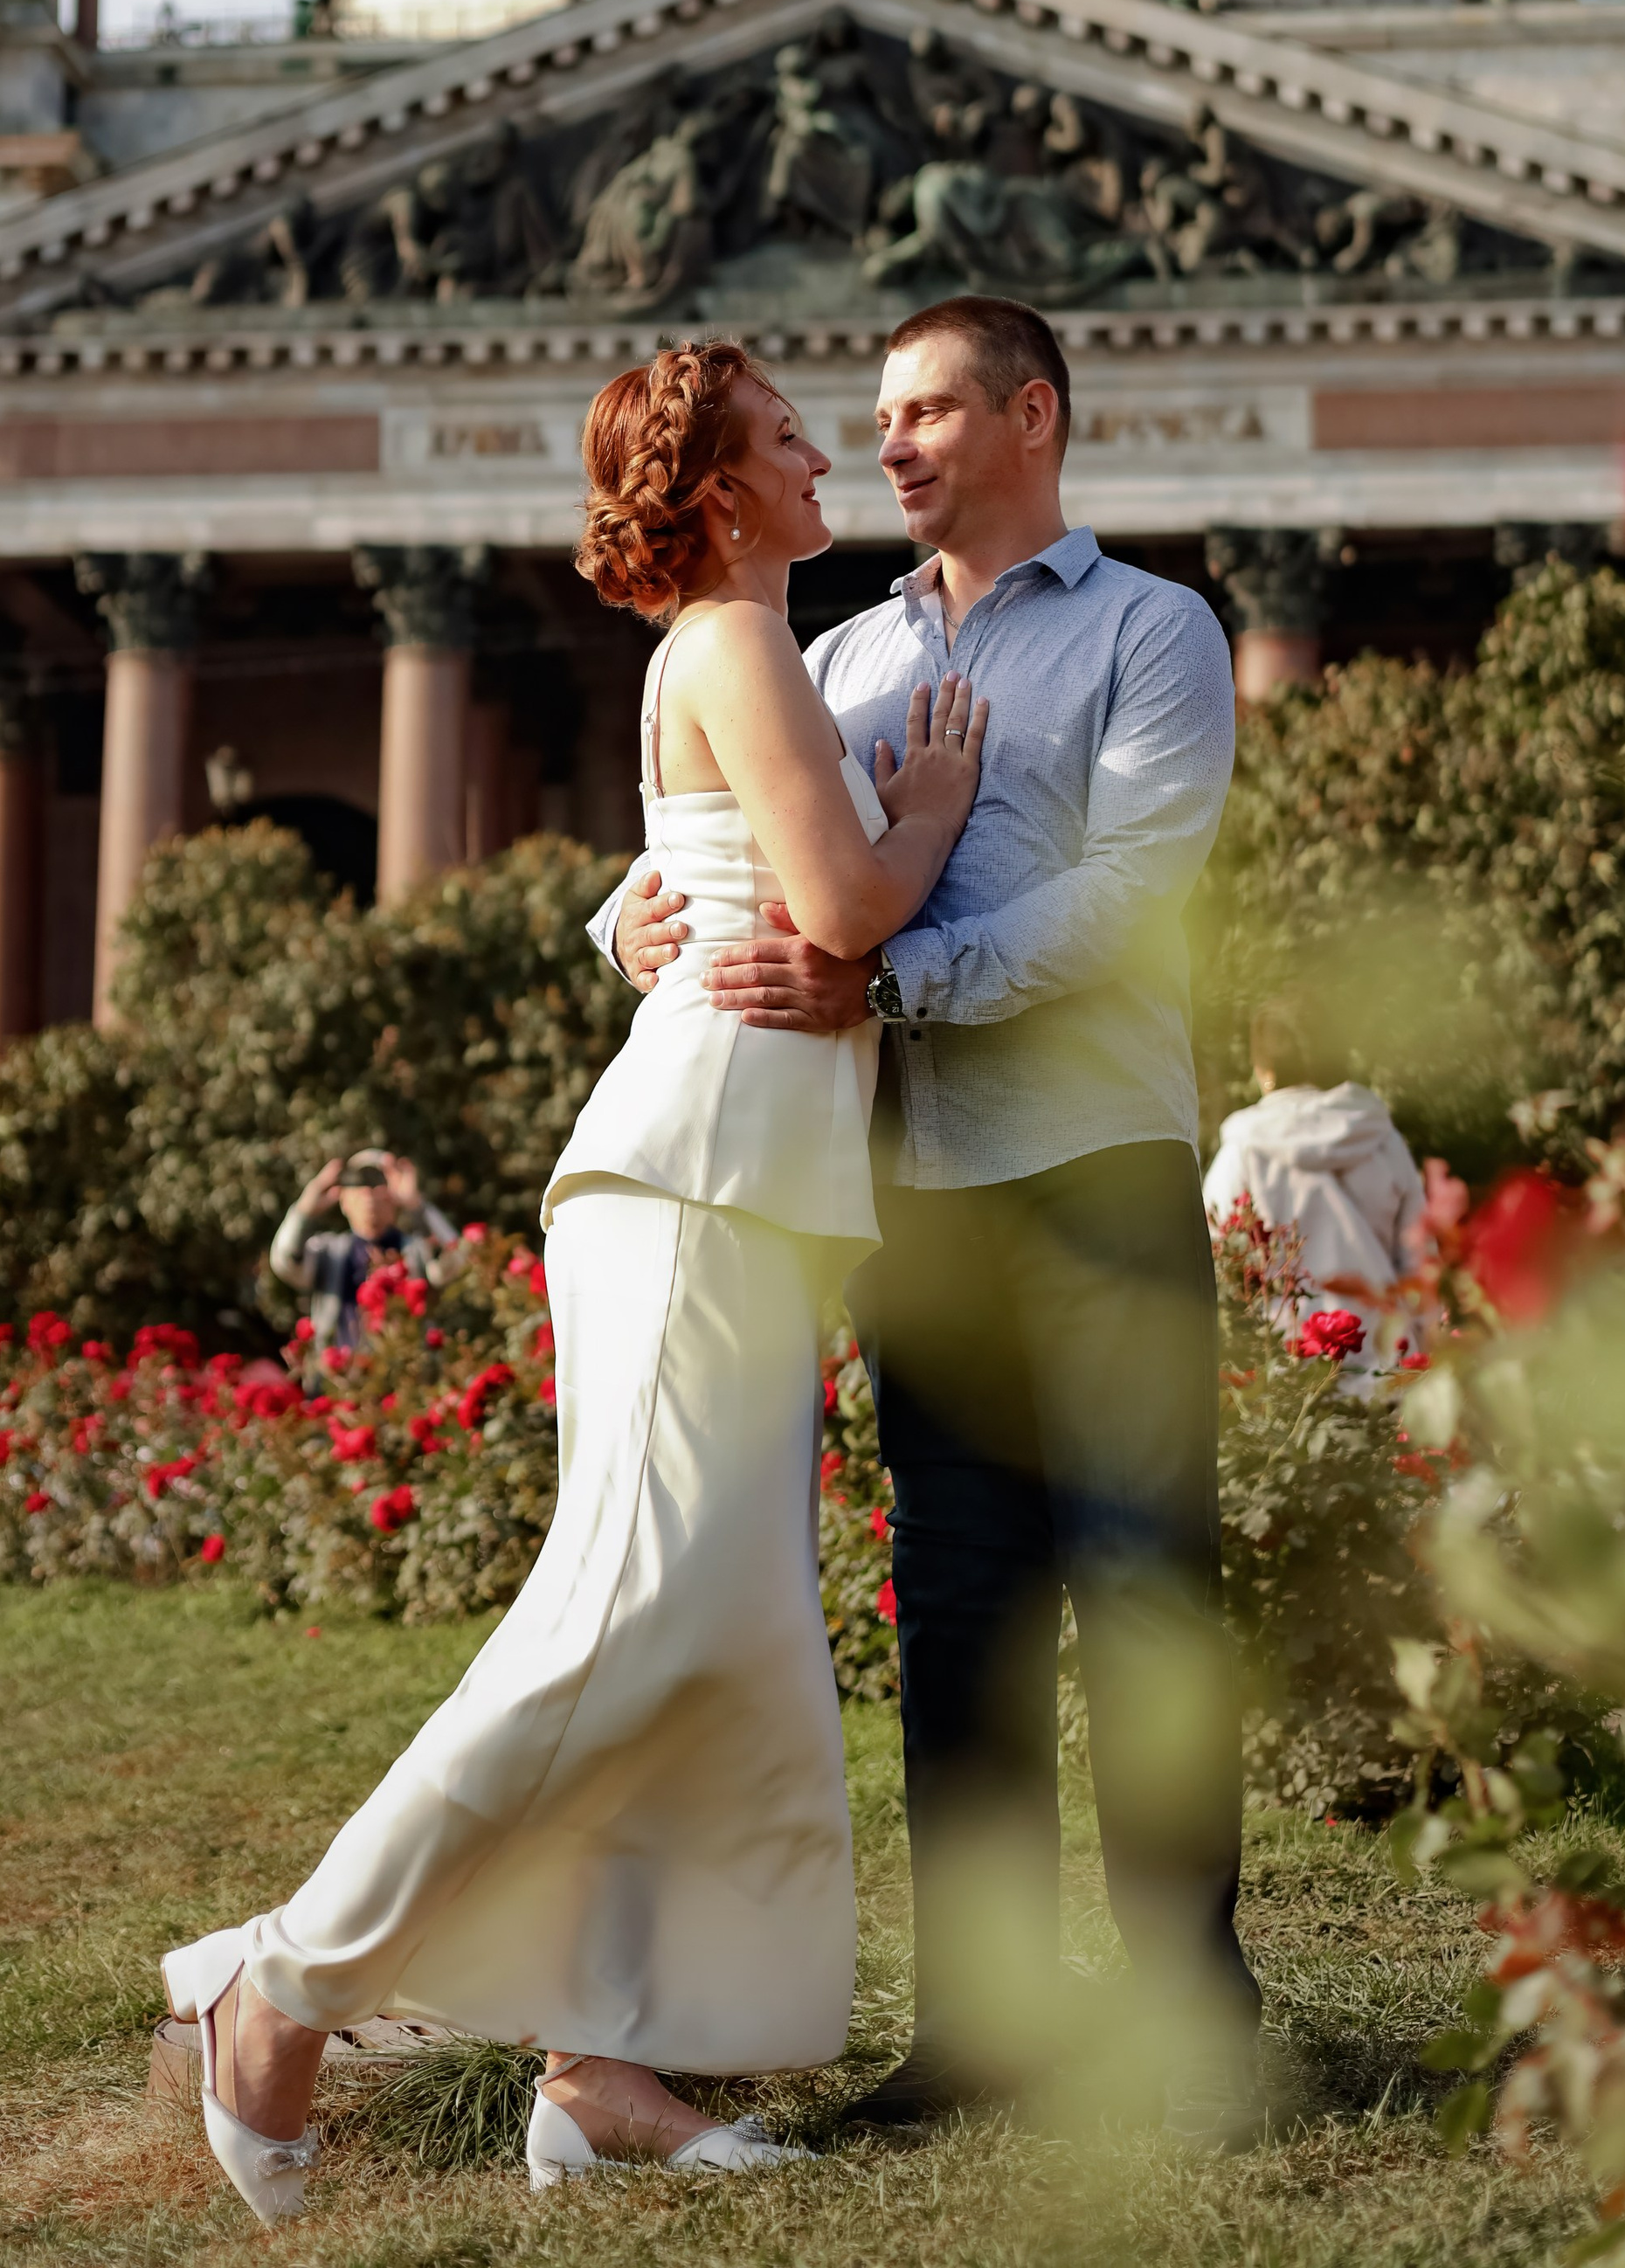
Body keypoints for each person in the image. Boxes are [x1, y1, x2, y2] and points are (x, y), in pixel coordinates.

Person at [162, 340, 989, 2220]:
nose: (825, 457)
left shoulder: (733, 645)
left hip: (740, 1189)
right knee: (618, 1617)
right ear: (718, 489)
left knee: (719, 1636)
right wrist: (931, 806)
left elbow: (697, 880)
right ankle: (277, 1990)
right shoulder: (738, 639)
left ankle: (603, 2069)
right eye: (789, 438)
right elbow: (844, 910)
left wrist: (645, 914)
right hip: (695, 1185)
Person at [607, 294, 1257, 2139]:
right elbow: (719, 833)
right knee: (959, 1611)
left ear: (1029, 417)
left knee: (1143, 1595)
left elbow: (1130, 899)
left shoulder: (1153, 632)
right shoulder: (832, 655)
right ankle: (979, 2028)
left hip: (1096, 1169)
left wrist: (899, 982)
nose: (884, 442)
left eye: (924, 412)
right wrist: (624, 925)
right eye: (874, 417)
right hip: (911, 1198)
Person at [1200, 1001, 1426, 1344]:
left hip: (1285, 1358)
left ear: (1265, 1070)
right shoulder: (1380, 1138)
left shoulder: (1244, 1150)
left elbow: (1214, 1258)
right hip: (1386, 1351)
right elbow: (1420, 1258)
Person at [268, 1151, 460, 1353]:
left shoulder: (417, 1251)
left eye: (379, 1183)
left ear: (394, 1197)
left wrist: (416, 1204)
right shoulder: (328, 1252)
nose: (369, 1193)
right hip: (344, 1370)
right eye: (359, 1184)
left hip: (409, 1368)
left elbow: (457, 1261)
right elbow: (285, 1262)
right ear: (343, 1200)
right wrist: (304, 1211)